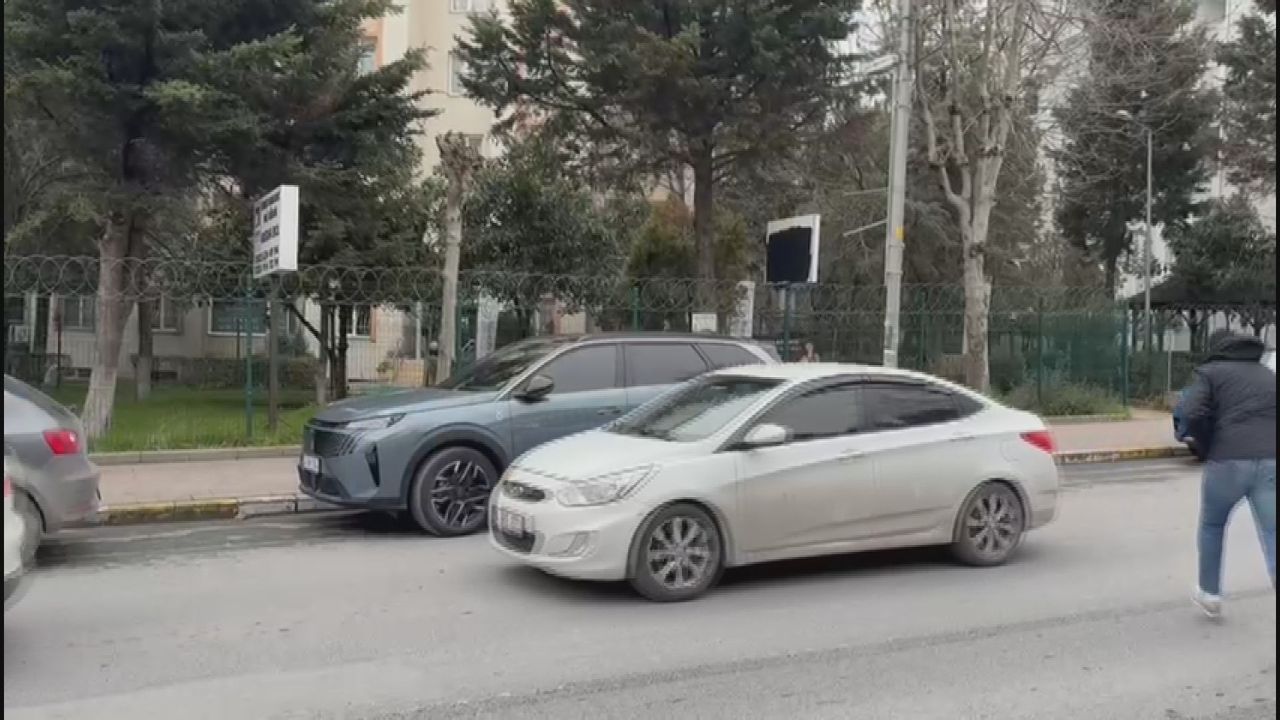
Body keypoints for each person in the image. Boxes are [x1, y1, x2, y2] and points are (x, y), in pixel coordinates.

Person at [1179, 329, 1276, 618]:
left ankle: (1209, 593)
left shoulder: (1211, 373)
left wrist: (1205, 444)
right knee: (1273, 531)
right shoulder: (1269, 376)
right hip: (1270, 462)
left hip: (1226, 461)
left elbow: (1191, 413)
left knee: (1212, 525)